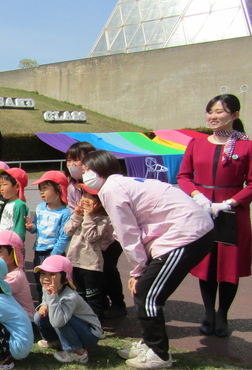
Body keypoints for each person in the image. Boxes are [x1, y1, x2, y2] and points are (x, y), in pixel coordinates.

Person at [83, 150, 214, 369]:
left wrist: (137, 271)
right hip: (181, 232)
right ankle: (148, 344)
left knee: (148, 293)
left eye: (87, 170)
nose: (84, 174)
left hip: (188, 233)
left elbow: (128, 234)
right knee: (145, 289)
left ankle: (159, 353)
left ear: (100, 170)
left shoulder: (111, 189)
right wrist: (140, 271)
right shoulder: (119, 184)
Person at [177, 93, 252, 338]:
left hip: (232, 213)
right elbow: (184, 176)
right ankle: (208, 314)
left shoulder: (246, 146)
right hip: (202, 211)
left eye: (219, 111)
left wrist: (231, 201)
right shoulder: (196, 143)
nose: (213, 116)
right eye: (210, 111)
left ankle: (223, 315)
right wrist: (197, 196)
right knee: (205, 263)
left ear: (235, 115)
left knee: (228, 266)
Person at [34, 255, 103, 365]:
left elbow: (58, 322)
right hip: (68, 323)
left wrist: (52, 297)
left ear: (65, 280)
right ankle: (55, 341)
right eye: (43, 273)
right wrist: (44, 305)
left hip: (90, 335)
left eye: (52, 275)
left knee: (62, 319)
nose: (46, 278)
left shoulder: (70, 297)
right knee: (38, 316)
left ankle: (78, 352)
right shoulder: (46, 287)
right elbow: (45, 300)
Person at [63, 183, 113, 322]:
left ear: (100, 202)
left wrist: (89, 216)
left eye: (90, 197)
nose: (85, 199)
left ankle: (97, 324)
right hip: (74, 262)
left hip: (91, 265)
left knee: (93, 298)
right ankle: (83, 321)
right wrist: (77, 216)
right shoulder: (80, 214)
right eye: (84, 195)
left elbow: (91, 237)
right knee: (79, 295)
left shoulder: (103, 220)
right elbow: (67, 230)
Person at [26, 171, 72, 301]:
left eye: (45, 188)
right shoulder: (40, 207)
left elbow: (64, 237)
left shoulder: (65, 213)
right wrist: (31, 228)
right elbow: (36, 226)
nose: (41, 192)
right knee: (39, 281)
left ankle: (56, 307)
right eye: (40, 189)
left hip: (53, 253)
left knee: (54, 283)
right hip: (39, 251)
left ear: (59, 189)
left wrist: (54, 254)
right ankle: (42, 305)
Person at [0, 231, 35, 320]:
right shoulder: (3, 271)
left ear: (13, 253)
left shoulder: (15, 276)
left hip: (24, 318)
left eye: (0, 252)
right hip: (11, 313)